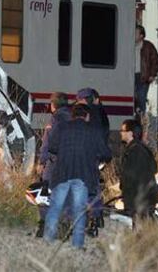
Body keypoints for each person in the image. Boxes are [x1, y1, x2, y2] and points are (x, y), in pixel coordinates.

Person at [43, 104, 112, 248]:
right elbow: (106, 153)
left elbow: (52, 147)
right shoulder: (93, 130)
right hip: (83, 175)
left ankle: (48, 241)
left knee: (55, 208)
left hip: (62, 173)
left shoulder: (62, 127)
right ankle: (77, 245)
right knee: (79, 211)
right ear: (87, 116)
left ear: (72, 115)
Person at [36, 92, 71, 238]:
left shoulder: (55, 119)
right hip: (70, 162)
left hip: (54, 162)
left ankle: (45, 226)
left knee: (45, 193)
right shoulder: (73, 117)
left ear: (53, 105)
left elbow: (47, 143)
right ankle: (65, 227)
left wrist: (41, 162)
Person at [75, 87, 110, 231]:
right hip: (95, 157)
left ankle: (93, 219)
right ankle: (97, 217)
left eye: (81, 100)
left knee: (89, 189)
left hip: (88, 157)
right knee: (93, 188)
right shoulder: (100, 112)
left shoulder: (91, 114)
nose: (78, 102)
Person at [119, 119, 158, 225]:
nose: (120, 133)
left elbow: (132, 176)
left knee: (140, 230)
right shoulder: (139, 149)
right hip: (142, 199)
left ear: (130, 133)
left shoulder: (135, 151)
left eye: (123, 130)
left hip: (140, 200)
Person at [134, 25, 158, 117]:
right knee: (132, 99)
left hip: (143, 77)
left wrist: (152, 75)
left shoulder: (148, 46)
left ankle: (141, 121)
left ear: (141, 35)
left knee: (141, 98)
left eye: (136, 33)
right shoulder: (130, 45)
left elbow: (155, 61)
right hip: (131, 76)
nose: (133, 34)